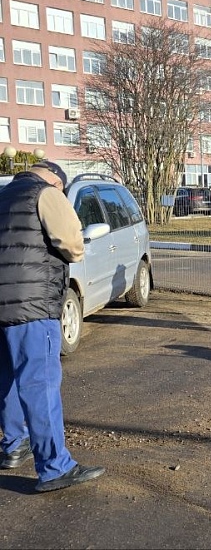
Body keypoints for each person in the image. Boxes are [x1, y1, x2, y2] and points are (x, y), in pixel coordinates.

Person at [0, 162, 105, 492]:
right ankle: (55, 467)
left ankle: (14, 446)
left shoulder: (3, 196)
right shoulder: (46, 193)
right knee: (39, 383)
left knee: (6, 380)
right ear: (56, 180)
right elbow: (71, 245)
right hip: (32, 305)